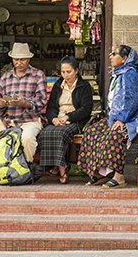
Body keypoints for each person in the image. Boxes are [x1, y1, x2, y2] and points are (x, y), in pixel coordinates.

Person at [77, 45, 138, 189]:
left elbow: (135, 100)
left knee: (115, 134)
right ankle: (99, 173)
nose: (110, 56)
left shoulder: (132, 74)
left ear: (124, 58)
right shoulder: (118, 74)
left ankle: (119, 177)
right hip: (117, 118)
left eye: (114, 54)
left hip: (133, 118)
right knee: (92, 132)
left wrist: (122, 119)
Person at [0, 42, 47, 185]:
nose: (19, 63)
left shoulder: (38, 75)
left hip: (29, 120)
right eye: (16, 59)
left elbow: (41, 102)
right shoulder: (5, 77)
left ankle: (25, 171)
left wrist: (24, 103)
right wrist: (1, 104)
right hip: (7, 120)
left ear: (28, 59)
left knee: (27, 138)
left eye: (22, 59)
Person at [38, 56, 94, 184]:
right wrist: (53, 119)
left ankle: (62, 170)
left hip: (75, 120)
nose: (65, 75)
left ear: (76, 71)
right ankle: (54, 166)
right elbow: (51, 106)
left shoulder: (84, 86)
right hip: (59, 118)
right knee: (45, 132)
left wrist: (69, 117)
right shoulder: (58, 85)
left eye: (69, 72)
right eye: (63, 72)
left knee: (60, 133)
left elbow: (86, 109)